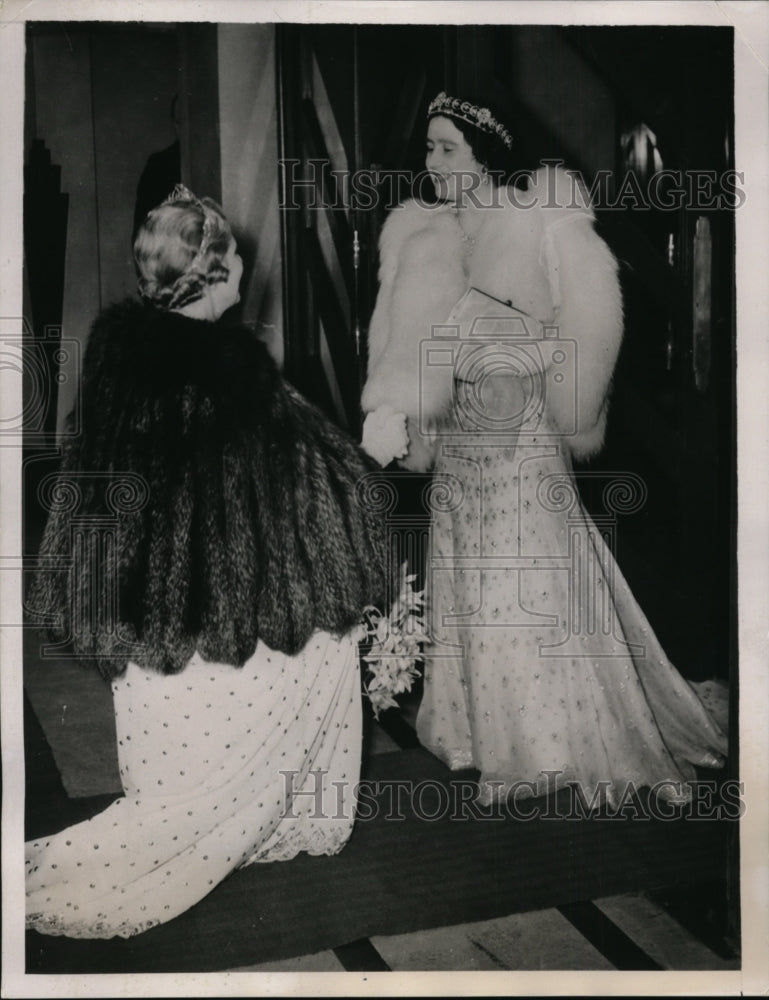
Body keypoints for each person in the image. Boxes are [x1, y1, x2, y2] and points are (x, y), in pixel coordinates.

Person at [25, 185, 406, 939]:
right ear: (206, 272)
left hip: (141, 603)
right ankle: (260, 821)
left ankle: (228, 824)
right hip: (213, 603)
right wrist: (375, 459)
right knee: (321, 642)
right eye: (232, 259)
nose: (242, 271)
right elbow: (309, 476)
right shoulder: (230, 371)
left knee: (170, 775)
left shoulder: (115, 354)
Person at [362, 91, 727, 807]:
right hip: (461, 442)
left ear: (484, 156)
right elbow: (397, 345)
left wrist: (517, 350)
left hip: (519, 435)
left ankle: (544, 741)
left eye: (446, 149)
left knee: (527, 581)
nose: (430, 163)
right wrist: (394, 407)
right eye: (428, 148)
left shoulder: (541, 218)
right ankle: (483, 733)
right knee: (470, 576)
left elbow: (591, 325)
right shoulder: (416, 233)